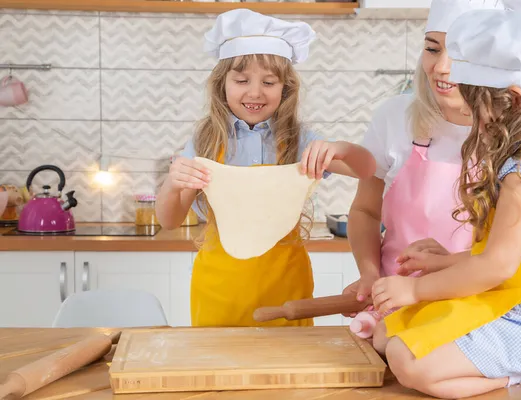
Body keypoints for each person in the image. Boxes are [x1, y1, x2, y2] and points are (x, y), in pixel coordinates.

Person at [371, 3, 521, 398]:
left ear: (514, 100)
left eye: (474, 103)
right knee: (382, 336)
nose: (470, 117)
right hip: (508, 291)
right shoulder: (519, 158)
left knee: (409, 364)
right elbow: (509, 256)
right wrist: (444, 262)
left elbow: (498, 267)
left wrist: (415, 291)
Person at [155, 9, 376, 328]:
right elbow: (170, 219)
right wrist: (172, 185)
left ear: (285, 88)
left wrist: (340, 148)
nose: (255, 92)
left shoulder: (300, 140)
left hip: (286, 288)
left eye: (268, 82)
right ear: (222, 84)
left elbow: (368, 169)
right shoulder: (206, 140)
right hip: (219, 289)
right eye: (242, 80)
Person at [343, 0, 507, 337]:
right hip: (393, 306)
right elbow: (365, 211)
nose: (441, 67)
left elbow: (507, 257)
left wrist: (450, 265)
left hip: (478, 311)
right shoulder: (395, 116)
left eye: (459, 54)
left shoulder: (513, 134)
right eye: (433, 49)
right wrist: (370, 275)